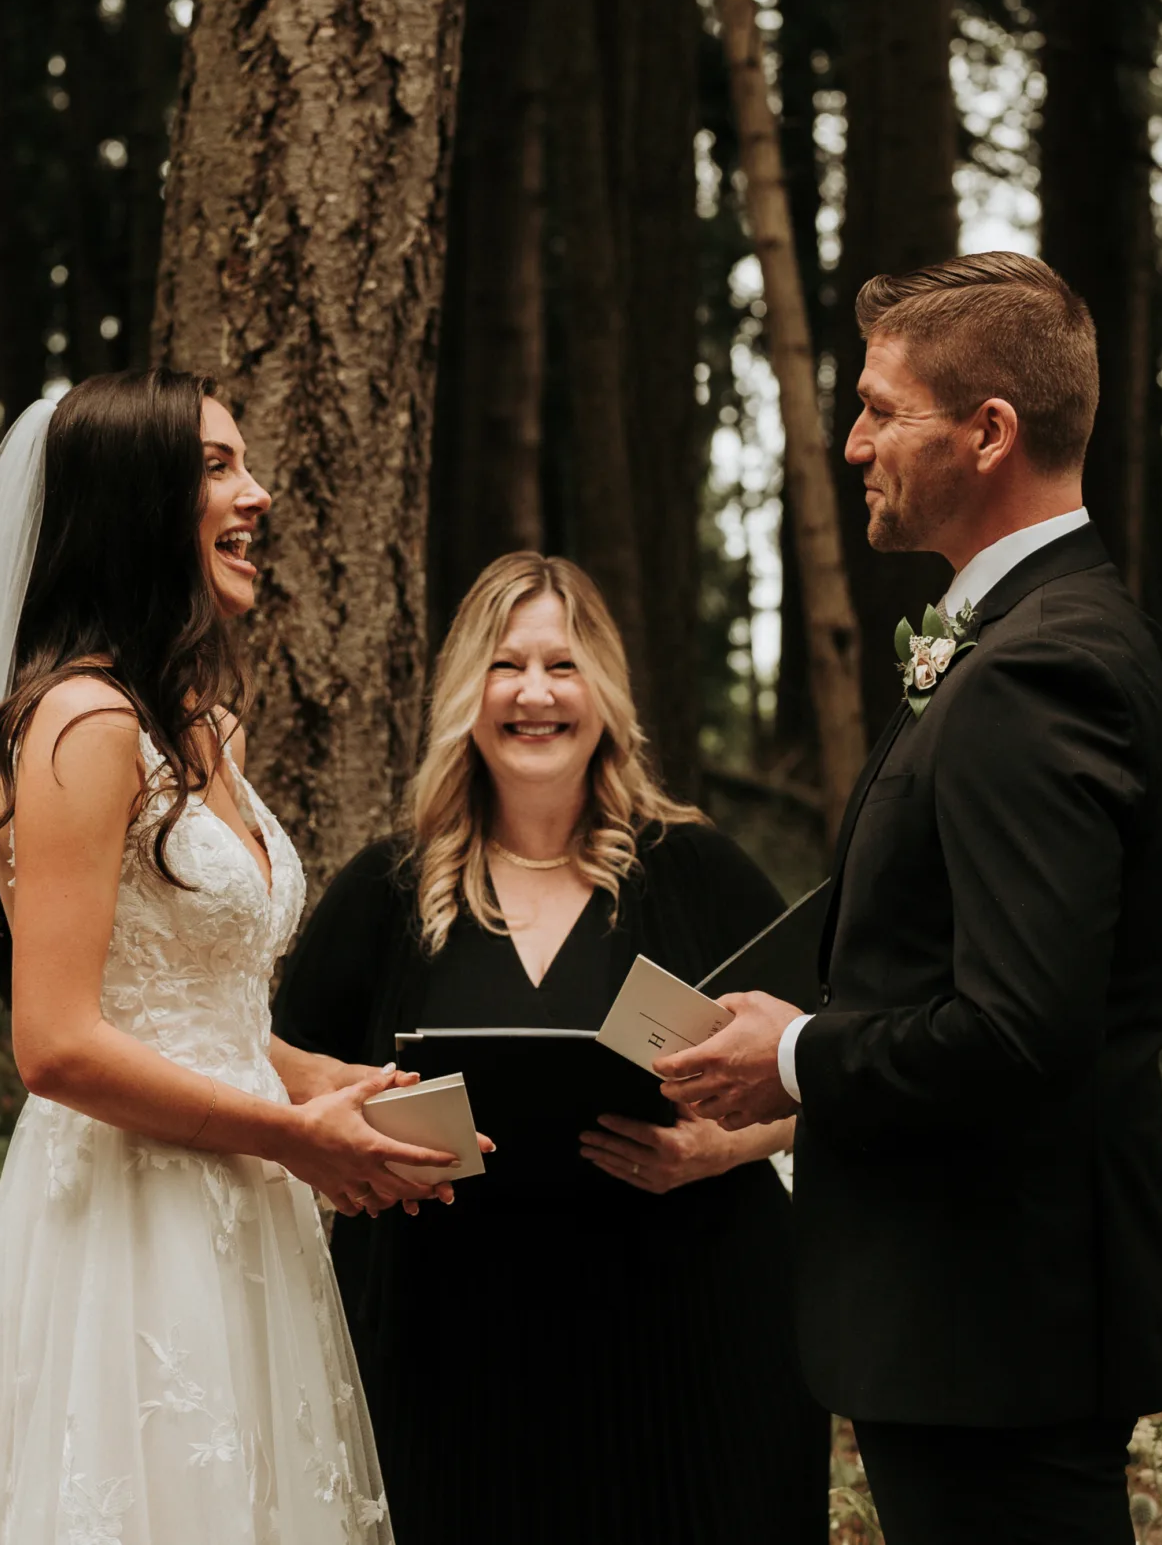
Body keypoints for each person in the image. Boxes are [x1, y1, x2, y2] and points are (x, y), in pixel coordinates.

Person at [0, 369, 466, 1545]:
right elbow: (58, 1043)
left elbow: (196, 1007)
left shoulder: (208, 730)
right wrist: (295, 1138)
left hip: (242, 1204)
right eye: (219, 468)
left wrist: (320, 1084)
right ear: (140, 503)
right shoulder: (82, 726)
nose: (259, 494)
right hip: (130, 1230)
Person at [660, 252, 1162, 1544]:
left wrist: (790, 1054)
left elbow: (1020, 1029)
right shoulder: (1041, 634)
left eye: (881, 409)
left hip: (997, 1332)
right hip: (990, 1324)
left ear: (990, 430)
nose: (854, 443)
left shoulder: (1037, 670)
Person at [270, 552, 830, 1545]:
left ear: (603, 691)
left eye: (562, 666)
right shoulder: (389, 886)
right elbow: (276, 1056)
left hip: (685, 1325)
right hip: (447, 1335)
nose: (534, 694)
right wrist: (365, 1099)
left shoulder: (695, 871)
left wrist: (717, 1149)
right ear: (467, 696)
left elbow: (821, 1070)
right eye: (506, 665)